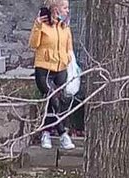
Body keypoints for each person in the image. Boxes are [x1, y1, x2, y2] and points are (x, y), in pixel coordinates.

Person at [30, 3, 75, 150]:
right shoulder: (42, 24)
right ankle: (63, 134)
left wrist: (67, 58)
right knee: (53, 99)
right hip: (44, 70)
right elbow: (33, 44)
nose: (67, 10)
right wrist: (37, 26)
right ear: (56, 8)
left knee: (54, 102)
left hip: (61, 69)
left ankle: (46, 133)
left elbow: (69, 48)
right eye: (65, 7)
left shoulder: (65, 26)